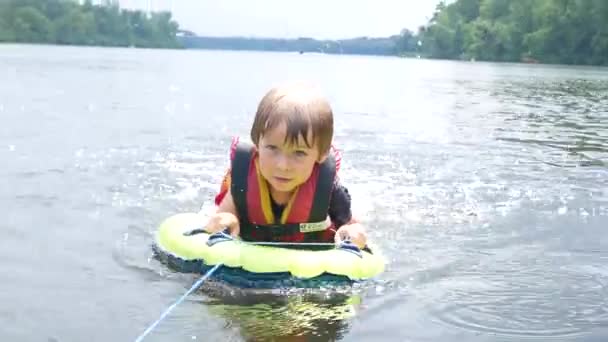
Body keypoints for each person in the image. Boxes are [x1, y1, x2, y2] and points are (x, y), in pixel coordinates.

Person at [203, 81, 367, 249]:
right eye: (272, 148)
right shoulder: (244, 181)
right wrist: (226, 220)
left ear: (321, 154)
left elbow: (351, 225)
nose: (282, 165)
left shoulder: (327, 187)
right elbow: (225, 213)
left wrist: (352, 233)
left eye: (299, 153)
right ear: (257, 144)